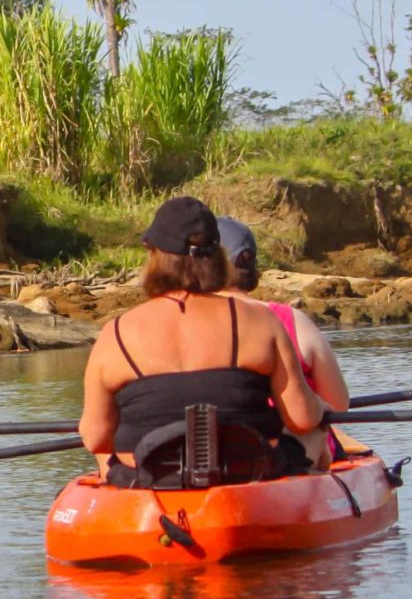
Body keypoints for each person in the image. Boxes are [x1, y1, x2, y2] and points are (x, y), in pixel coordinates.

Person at [78, 197, 328, 483]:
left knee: (103, 453)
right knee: (315, 428)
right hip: (248, 474)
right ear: (218, 256)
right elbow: (302, 419)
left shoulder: (115, 333)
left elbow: (95, 437)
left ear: (154, 255)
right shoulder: (260, 322)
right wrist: (321, 408)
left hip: (151, 483)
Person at [215, 216, 353, 409]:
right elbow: (339, 404)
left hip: (223, 433)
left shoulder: (186, 323)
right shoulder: (292, 321)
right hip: (293, 433)